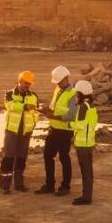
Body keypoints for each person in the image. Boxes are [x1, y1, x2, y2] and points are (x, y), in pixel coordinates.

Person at [35, 65, 75, 196]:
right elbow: (55, 107)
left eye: (59, 80)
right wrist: (48, 111)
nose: (57, 83)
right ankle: (50, 185)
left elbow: (71, 115)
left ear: (66, 78)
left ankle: (65, 186)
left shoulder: (73, 93)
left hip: (64, 131)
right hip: (54, 129)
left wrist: (54, 116)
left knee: (64, 157)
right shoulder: (58, 89)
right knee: (47, 155)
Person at [0, 71, 39, 194]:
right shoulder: (9, 94)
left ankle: (19, 184)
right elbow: (10, 106)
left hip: (25, 132)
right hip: (12, 131)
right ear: (19, 81)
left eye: (29, 83)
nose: (28, 85)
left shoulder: (33, 96)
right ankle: (5, 186)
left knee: (22, 158)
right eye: (26, 82)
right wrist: (24, 106)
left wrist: (32, 125)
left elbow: (36, 112)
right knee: (8, 157)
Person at [69, 80, 99, 205]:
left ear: (81, 93)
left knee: (85, 171)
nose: (76, 95)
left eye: (77, 93)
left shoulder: (82, 107)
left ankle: (86, 197)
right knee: (88, 171)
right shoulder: (91, 106)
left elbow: (80, 125)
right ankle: (87, 194)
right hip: (89, 143)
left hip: (83, 144)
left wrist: (69, 124)